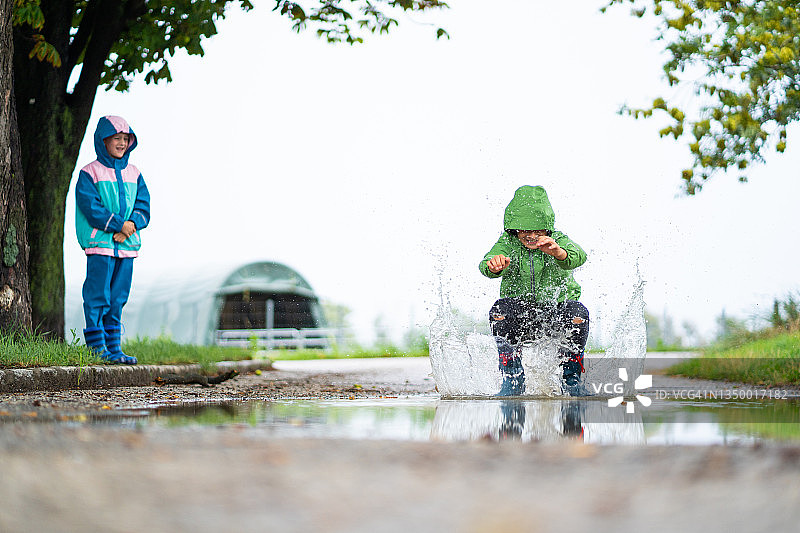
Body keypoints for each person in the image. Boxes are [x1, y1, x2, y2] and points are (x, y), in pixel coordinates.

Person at [479, 185, 589, 396]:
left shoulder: (557, 239)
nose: (531, 236)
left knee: (578, 314)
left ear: (547, 228)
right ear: (513, 228)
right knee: (499, 310)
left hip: (556, 314)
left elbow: (580, 256)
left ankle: (571, 378)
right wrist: (492, 266)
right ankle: (512, 377)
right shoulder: (508, 243)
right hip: (521, 317)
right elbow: (486, 263)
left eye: (537, 231)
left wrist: (558, 252)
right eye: (525, 231)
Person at [75, 115, 151, 365]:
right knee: (98, 294)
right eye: (116, 138)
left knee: (118, 297)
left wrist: (130, 227)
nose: (121, 143)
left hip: (126, 247)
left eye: (125, 139)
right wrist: (120, 225)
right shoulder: (90, 173)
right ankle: (97, 347)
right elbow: (91, 207)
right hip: (101, 245)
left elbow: (143, 206)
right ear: (103, 140)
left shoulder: (135, 173)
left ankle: (114, 347)